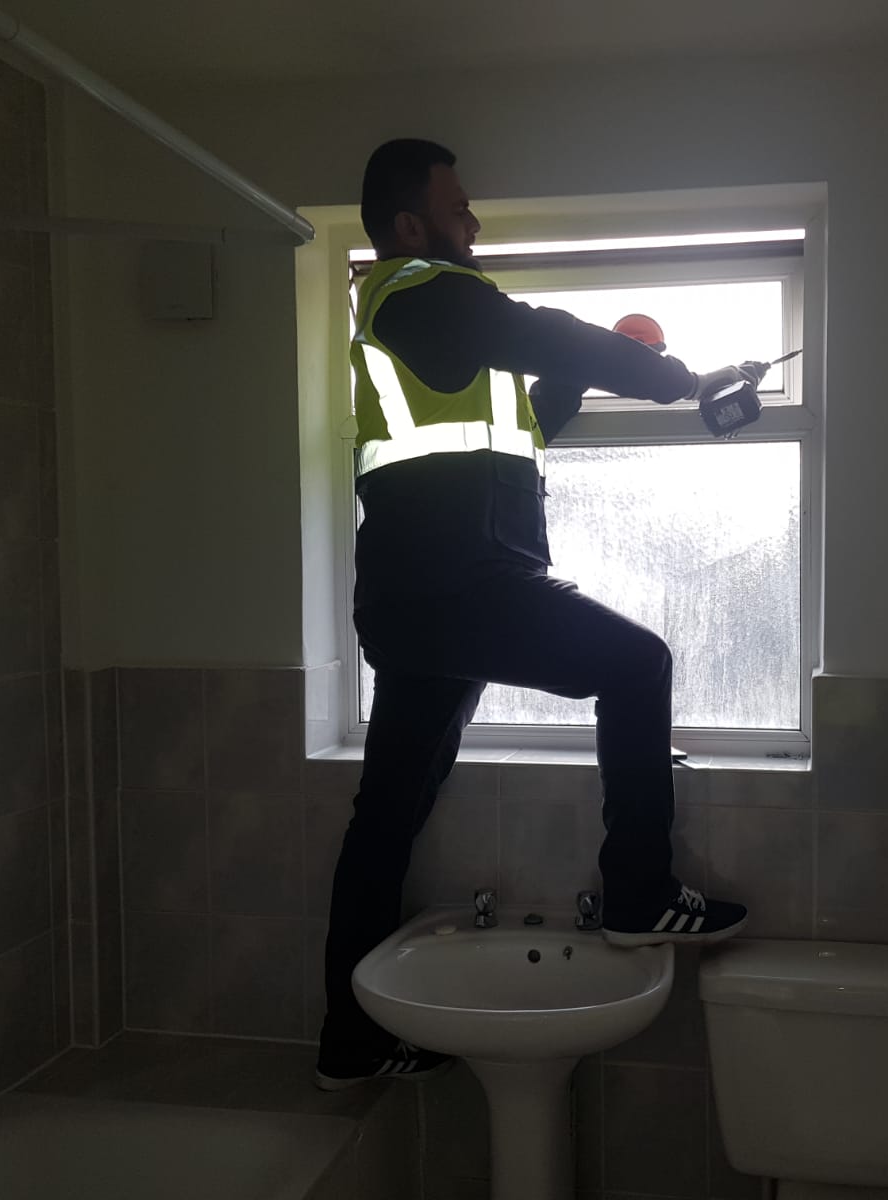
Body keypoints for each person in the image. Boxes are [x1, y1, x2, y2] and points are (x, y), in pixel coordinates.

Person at [317, 138, 754, 1088]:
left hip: (420, 599)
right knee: (636, 664)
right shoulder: (420, 290)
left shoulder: (436, 328)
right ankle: (638, 887)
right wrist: (676, 378)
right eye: (458, 206)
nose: (472, 221)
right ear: (409, 224)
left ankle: (346, 1047)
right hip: (460, 587)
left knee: (387, 819)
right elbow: (544, 329)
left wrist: (592, 374)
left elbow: (518, 430)